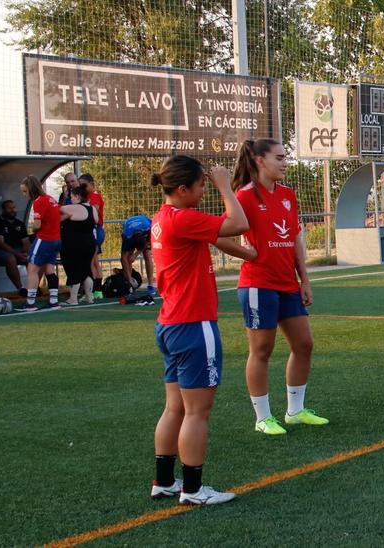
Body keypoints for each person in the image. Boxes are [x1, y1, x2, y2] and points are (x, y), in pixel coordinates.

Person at [148, 155, 249, 505]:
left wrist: (246, 255)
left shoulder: (163, 219)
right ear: (181, 189)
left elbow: (215, 238)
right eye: (201, 185)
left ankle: (164, 481)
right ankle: (192, 490)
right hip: (193, 324)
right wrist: (225, 184)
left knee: (174, 407)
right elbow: (238, 221)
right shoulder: (184, 218)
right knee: (196, 412)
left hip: (171, 323)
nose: (204, 190)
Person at [231, 138, 327, 435]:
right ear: (260, 160)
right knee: (262, 349)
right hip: (258, 284)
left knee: (304, 344)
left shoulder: (288, 194)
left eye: (286, 157)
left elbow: (295, 238)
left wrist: (305, 279)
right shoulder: (244, 196)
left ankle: (295, 412)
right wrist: (248, 253)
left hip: (288, 283)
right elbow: (221, 232)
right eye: (280, 157)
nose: (285, 162)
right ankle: (263, 418)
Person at [20, 175, 61, 311]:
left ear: (32, 189)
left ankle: (30, 303)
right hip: (56, 240)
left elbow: (37, 224)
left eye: (25, 191)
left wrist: (32, 227)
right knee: (50, 270)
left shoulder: (38, 201)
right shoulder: (51, 198)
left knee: (32, 270)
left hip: (44, 239)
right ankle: (54, 301)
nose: (24, 194)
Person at [58, 185, 97, 305]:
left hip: (74, 244)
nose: (71, 199)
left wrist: (63, 198)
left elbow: (56, 209)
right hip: (90, 243)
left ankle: (73, 298)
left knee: (73, 269)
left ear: (78, 196)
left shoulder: (74, 208)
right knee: (85, 269)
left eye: (72, 197)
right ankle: (89, 297)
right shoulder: (92, 209)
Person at [0, 199, 29, 296]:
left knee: (33, 257)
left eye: (14, 207)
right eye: (9, 208)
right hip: (0, 250)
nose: (12, 210)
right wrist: (17, 254)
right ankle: (20, 288)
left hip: (17, 250)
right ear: (3, 210)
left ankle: (33, 287)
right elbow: (0, 243)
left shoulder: (20, 224)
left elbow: (26, 242)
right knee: (10, 258)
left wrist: (26, 253)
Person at [80, 174, 106, 299]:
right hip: (92, 230)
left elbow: (93, 211)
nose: (82, 187)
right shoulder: (88, 195)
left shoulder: (94, 195)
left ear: (91, 183)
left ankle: (94, 290)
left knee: (92, 262)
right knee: (93, 261)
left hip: (95, 230)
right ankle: (96, 291)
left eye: (84, 185)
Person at [121, 214, 156, 295]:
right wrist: (129, 279)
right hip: (129, 227)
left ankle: (150, 285)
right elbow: (123, 258)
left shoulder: (148, 228)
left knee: (147, 255)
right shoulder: (127, 235)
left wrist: (136, 254)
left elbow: (148, 242)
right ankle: (130, 284)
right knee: (128, 258)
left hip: (145, 228)